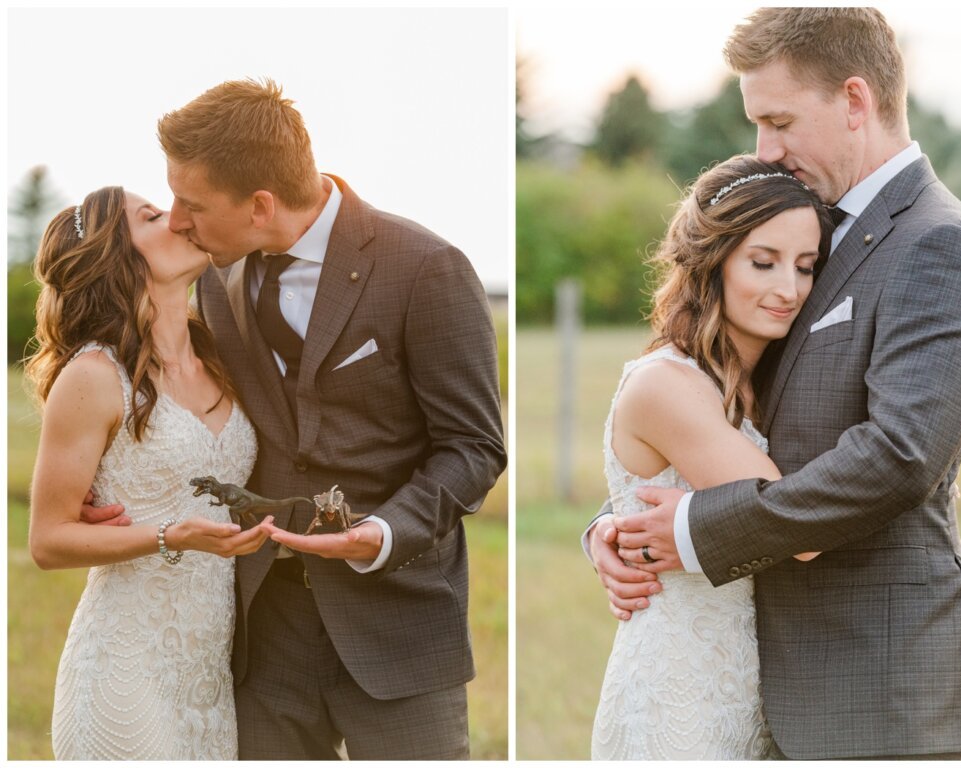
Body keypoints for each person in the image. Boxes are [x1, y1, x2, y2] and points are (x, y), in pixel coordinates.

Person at [588, 8, 961, 760]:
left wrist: (690, 530)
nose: (764, 149)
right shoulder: (806, 224)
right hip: (761, 674)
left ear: (854, 101)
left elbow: (900, 456)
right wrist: (619, 525)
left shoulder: (938, 243)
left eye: (778, 120)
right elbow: (724, 414)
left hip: (871, 679)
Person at [86, 78, 506, 759]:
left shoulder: (426, 268)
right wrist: (107, 480)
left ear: (259, 205)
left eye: (192, 205)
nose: (178, 220)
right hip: (263, 629)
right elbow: (176, 394)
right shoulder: (216, 282)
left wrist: (381, 532)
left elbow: (475, 448)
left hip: (397, 623)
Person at [591, 156, 831, 760]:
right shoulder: (667, 385)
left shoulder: (765, 375)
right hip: (680, 687)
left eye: (806, 268)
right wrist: (606, 528)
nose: (789, 290)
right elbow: (794, 525)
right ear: (712, 259)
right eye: (763, 262)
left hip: (749, 682)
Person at [27, 187, 271, 759]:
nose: (180, 218)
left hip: (208, 681)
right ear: (119, 258)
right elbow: (47, 540)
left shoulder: (217, 356)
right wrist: (169, 535)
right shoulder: (92, 375)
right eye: (154, 217)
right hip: (124, 670)